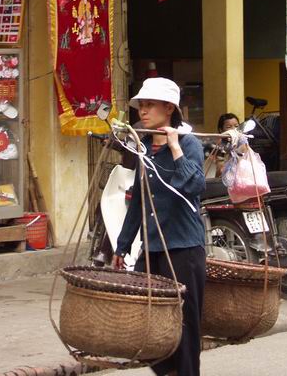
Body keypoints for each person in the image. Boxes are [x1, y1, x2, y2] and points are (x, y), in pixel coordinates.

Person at [112, 77, 206, 376]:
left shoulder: (190, 145)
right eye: (141, 105)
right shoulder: (145, 151)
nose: (143, 110)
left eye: (150, 104)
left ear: (169, 108)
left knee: (185, 325)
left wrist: (175, 148)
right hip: (151, 248)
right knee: (150, 323)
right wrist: (123, 245)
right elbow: (139, 201)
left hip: (183, 249)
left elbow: (193, 185)